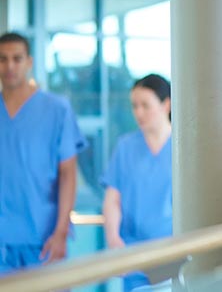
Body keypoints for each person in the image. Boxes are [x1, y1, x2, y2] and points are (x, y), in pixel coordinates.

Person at [0, 32, 86, 274]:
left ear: (29, 62)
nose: (10, 66)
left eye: (17, 59)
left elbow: (68, 174)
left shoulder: (57, 109)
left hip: (43, 237)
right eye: (2, 59)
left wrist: (60, 233)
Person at [101, 74, 172, 291]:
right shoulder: (126, 147)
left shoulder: (184, 147)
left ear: (166, 104)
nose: (138, 112)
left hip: (175, 252)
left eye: (145, 105)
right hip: (133, 255)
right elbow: (112, 200)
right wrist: (114, 240)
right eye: (134, 106)